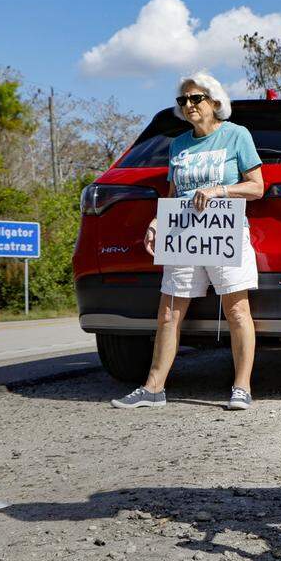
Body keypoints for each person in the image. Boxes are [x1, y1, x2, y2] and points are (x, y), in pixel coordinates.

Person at [111, 72, 264, 411]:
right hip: (182, 233)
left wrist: (218, 190)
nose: (189, 105)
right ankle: (153, 388)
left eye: (196, 98)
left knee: (236, 310)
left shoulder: (236, 136)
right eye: (183, 101)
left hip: (224, 230)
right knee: (168, 312)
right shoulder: (178, 144)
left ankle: (242, 386)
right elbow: (172, 192)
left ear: (214, 101)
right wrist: (156, 221)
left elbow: (257, 187)